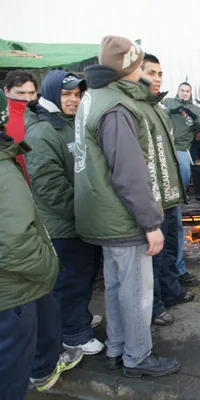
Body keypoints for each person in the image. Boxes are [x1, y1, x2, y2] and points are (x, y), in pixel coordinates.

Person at [74, 35, 180, 377]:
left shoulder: (94, 98)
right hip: (122, 218)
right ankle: (137, 357)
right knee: (136, 292)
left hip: (102, 214)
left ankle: (118, 347)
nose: (144, 73)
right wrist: (151, 223)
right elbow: (129, 173)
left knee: (117, 286)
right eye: (138, 66)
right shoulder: (117, 109)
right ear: (126, 70)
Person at [0, 89, 83, 398]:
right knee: (10, 377)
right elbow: (15, 240)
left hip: (18, 286)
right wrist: (47, 267)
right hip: (13, 292)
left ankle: (45, 368)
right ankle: (43, 369)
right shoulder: (4, 168)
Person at [24, 70, 104, 356]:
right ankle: (73, 333)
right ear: (51, 94)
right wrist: (81, 212)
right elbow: (48, 185)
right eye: (67, 94)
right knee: (71, 280)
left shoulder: (69, 122)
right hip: (64, 225)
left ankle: (76, 317)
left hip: (82, 219)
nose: (74, 100)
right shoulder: (43, 130)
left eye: (78, 94)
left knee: (85, 274)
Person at [138, 54, 195, 327]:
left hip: (170, 194)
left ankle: (172, 292)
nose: (157, 78)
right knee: (155, 256)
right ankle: (155, 306)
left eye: (160, 73)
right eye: (151, 72)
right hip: (154, 198)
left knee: (171, 246)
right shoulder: (136, 108)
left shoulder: (159, 108)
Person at [162, 83, 200, 287]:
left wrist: (195, 120)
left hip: (183, 150)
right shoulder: (167, 103)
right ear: (178, 91)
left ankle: (180, 196)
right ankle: (172, 269)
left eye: (188, 91)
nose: (185, 93)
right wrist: (174, 110)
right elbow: (161, 112)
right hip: (166, 150)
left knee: (181, 186)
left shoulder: (195, 109)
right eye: (182, 90)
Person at [4, 69, 38, 181]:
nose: (27, 99)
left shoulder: (44, 116)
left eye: (32, 93)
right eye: (20, 93)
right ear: (7, 92)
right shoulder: (3, 120)